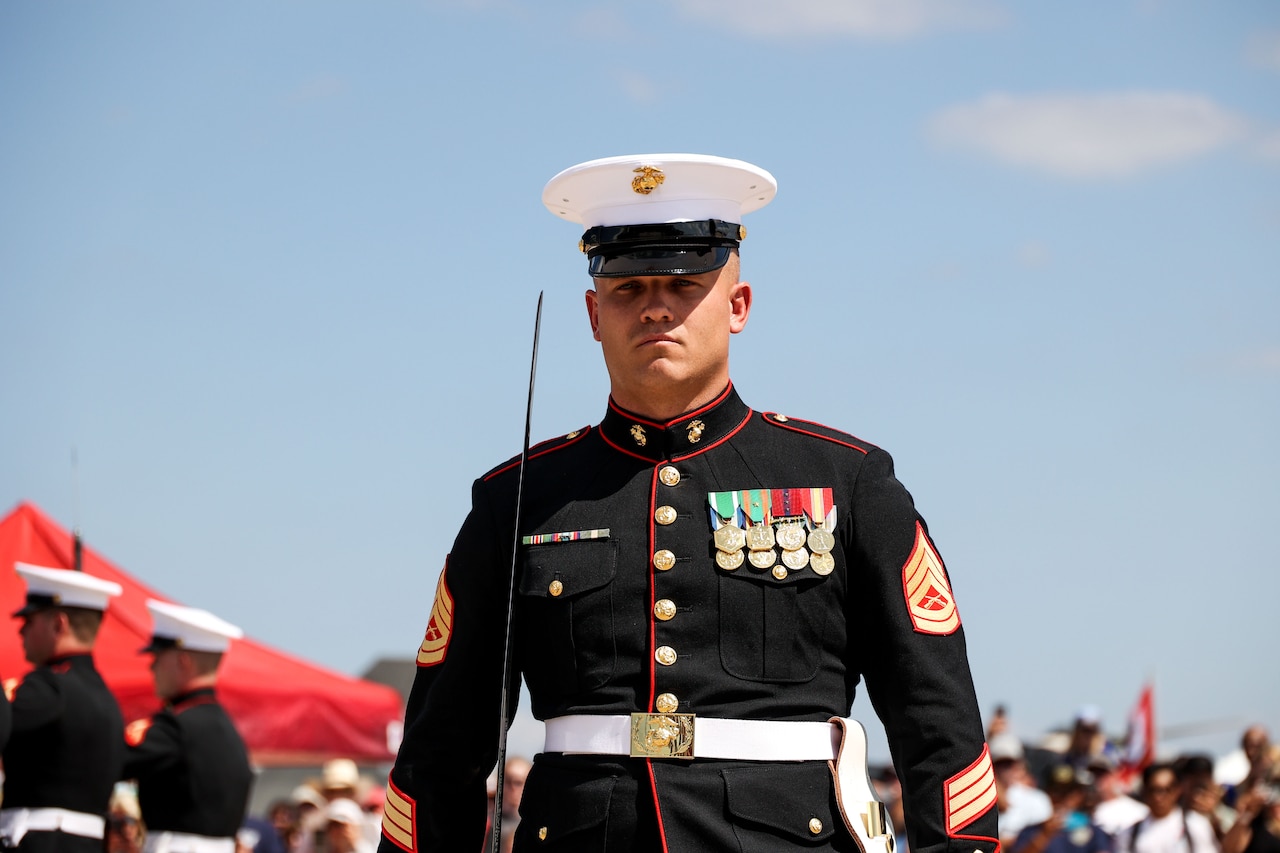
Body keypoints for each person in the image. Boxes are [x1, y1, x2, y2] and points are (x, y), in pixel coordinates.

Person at [377, 153, 999, 852]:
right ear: (593, 312)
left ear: (738, 306)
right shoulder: (518, 499)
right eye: (629, 287)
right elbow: (441, 747)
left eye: (684, 283)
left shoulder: (848, 481)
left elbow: (937, 720)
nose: (654, 305)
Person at [1, 563, 125, 853]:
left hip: (38, 841)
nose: (21, 631)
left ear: (59, 624)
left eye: (29, 621)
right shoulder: (105, 698)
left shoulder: (48, 688)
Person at [122, 600, 252, 853]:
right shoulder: (228, 731)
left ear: (183, 661)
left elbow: (108, 762)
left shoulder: (175, 727)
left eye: (158, 657)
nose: (151, 666)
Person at [1116, 763, 1218, 853]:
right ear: (1145, 792)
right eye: (1154, 790)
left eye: (1166, 790)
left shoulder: (1196, 825)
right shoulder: (1129, 834)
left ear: (1177, 790)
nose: (1159, 797)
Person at [1012, 764, 1112, 853]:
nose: (1062, 798)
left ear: (1079, 796)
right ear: (1047, 793)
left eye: (1068, 793)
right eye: (1056, 791)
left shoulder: (1094, 832)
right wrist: (1044, 835)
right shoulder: (1031, 831)